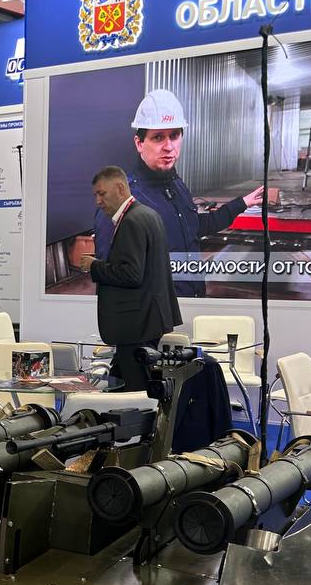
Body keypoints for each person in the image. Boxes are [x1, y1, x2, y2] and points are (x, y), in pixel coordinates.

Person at [93, 89, 272, 297]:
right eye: (158, 137)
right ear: (139, 143)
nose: (169, 146)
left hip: (194, 300)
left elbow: (194, 227)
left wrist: (241, 203)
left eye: (174, 135)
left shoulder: (176, 185)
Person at [82, 165, 182, 391]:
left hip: (136, 325)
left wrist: (94, 266)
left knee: (135, 393)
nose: (98, 201)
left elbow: (132, 274)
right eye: (96, 195)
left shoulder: (131, 221)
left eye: (102, 194)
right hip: (146, 321)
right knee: (122, 386)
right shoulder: (148, 214)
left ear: (119, 188)